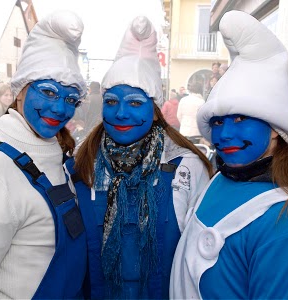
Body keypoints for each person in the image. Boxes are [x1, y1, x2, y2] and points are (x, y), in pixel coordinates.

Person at [170, 10, 288, 300]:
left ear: (274, 129)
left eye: (241, 119)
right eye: (218, 121)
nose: (225, 134)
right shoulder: (222, 178)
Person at [65, 16, 212, 299]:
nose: (121, 113)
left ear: (155, 109)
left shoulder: (185, 168)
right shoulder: (80, 167)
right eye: (111, 102)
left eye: (135, 102)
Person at [0, 10, 88, 299]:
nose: (60, 109)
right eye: (48, 92)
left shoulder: (57, 158)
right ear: (19, 90)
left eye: (70, 98)